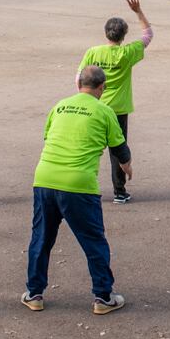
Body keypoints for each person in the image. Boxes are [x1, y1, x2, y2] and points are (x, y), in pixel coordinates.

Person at [23, 65, 129, 313]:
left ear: (78, 84)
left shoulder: (59, 106)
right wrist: (127, 166)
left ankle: (34, 293)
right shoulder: (104, 111)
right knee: (93, 241)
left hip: (45, 178)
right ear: (102, 88)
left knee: (41, 238)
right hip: (79, 184)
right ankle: (103, 297)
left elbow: (48, 137)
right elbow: (119, 148)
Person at [79, 0, 152, 203]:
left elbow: (79, 77)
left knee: (89, 146)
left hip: (94, 106)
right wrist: (138, 12)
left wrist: (83, 98)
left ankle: (84, 187)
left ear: (106, 33)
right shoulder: (127, 52)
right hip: (118, 110)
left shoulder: (93, 52)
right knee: (117, 149)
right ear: (123, 36)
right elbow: (148, 35)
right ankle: (119, 191)